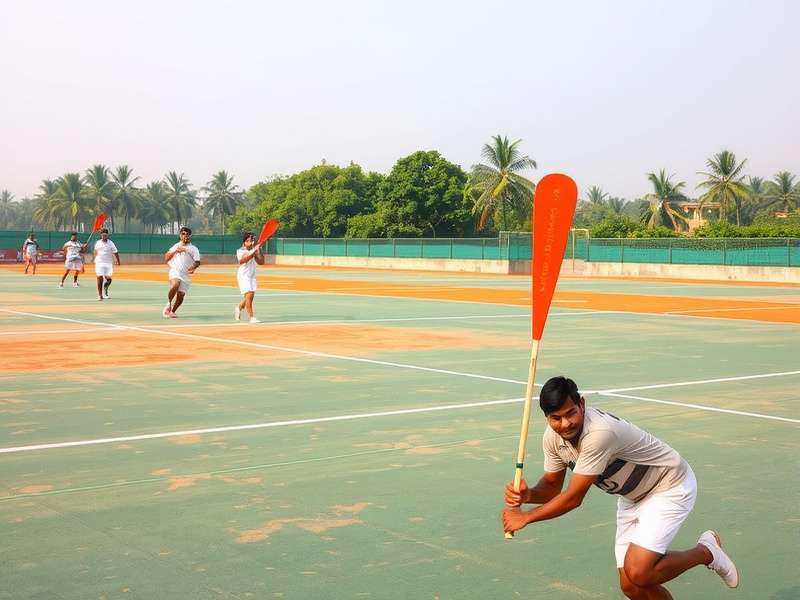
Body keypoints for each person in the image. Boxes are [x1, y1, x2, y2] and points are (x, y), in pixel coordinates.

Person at [502, 376, 739, 599]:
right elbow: (552, 486)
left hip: (669, 485)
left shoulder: (598, 434)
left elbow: (574, 498)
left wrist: (526, 517)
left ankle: (706, 551)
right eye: (556, 418)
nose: (565, 424)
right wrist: (529, 494)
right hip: (632, 496)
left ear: (582, 404)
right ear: (546, 417)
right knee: (631, 586)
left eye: (570, 413)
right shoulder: (553, 439)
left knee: (639, 571)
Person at [163, 226, 201, 318]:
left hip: (186, 275)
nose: (185, 236)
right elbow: (166, 258)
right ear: (180, 235)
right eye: (183, 234)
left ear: (190, 236)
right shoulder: (176, 246)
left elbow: (197, 262)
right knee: (175, 284)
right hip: (175, 271)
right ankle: (168, 304)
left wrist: (193, 267)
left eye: (187, 234)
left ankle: (172, 311)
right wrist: (175, 251)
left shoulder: (194, 249)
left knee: (180, 296)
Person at [234, 231, 265, 324]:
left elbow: (261, 262)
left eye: (252, 240)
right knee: (249, 295)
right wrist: (253, 251)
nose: (252, 242)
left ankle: (239, 308)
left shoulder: (254, 250)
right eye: (250, 240)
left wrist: (259, 250)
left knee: (249, 297)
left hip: (252, 276)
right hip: (243, 276)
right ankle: (251, 317)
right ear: (245, 242)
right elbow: (242, 261)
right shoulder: (240, 251)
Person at [93, 229, 120, 301]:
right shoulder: (98, 243)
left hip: (108, 263)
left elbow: (115, 252)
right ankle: (100, 295)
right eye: (102, 235)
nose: (104, 236)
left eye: (105, 235)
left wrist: (117, 260)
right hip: (99, 262)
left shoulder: (111, 243)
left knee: (109, 280)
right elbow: (95, 251)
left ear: (107, 235)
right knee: (99, 276)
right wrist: (94, 258)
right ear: (101, 235)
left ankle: (105, 288)